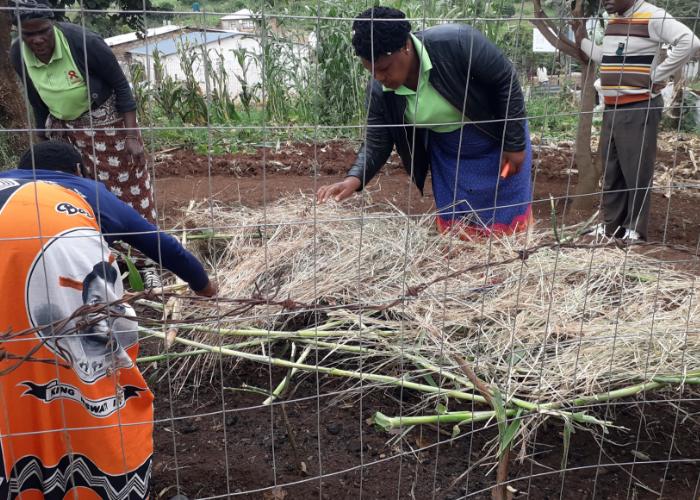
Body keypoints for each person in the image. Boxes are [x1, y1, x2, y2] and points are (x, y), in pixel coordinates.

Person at [0, 142, 215, 498]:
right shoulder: (83, 190)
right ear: (78, 172)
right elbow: (160, 243)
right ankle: (111, 481)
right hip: (56, 295)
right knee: (99, 386)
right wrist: (204, 286)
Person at [317, 6, 533, 236]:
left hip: (497, 144)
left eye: (384, 69)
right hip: (450, 158)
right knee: (459, 229)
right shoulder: (380, 90)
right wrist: (354, 178)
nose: (379, 78)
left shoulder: (458, 43)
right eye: (371, 72)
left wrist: (514, 144)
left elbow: (505, 82)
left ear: (406, 47)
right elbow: (378, 140)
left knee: (507, 219)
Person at [10, 0, 157, 223]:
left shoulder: (84, 42)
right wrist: (44, 142)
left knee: (126, 188)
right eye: (29, 35)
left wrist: (131, 136)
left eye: (43, 31)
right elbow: (36, 101)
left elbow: (121, 86)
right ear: (19, 33)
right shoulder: (18, 54)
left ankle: (139, 252)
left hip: (106, 127)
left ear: (53, 24)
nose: (37, 39)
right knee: (77, 190)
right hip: (63, 130)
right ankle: (98, 244)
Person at [574, 0, 700, 240]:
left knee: (636, 171)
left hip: (638, 105)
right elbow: (606, 57)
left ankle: (634, 230)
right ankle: (612, 226)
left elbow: (690, 42)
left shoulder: (652, 16)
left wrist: (656, 75)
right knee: (612, 171)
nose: (605, 1)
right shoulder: (615, 21)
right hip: (612, 107)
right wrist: (581, 38)